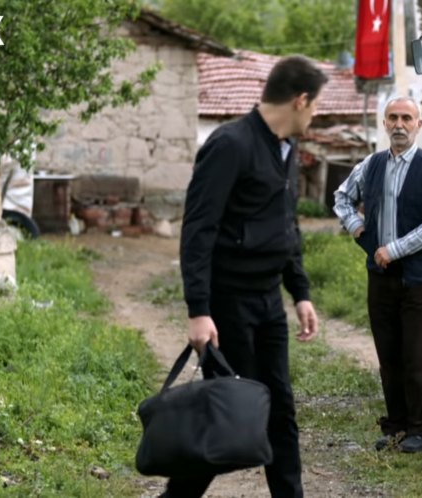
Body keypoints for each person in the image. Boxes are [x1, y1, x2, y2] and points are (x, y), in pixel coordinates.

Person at [173, 55, 327, 498]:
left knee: (279, 409)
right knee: (230, 414)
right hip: (228, 303)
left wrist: (299, 291)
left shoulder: (286, 149)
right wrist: (199, 310)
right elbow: (198, 230)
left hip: (267, 303)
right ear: (300, 100)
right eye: (314, 106)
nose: (315, 115)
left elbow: (286, 225)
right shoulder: (230, 145)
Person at [333, 96, 422, 453]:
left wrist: (393, 249)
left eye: (406, 118)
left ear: (418, 125)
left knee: (417, 356)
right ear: (384, 124)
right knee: (389, 354)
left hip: (419, 278)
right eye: (392, 118)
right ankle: (396, 425)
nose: (399, 124)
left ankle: (420, 429)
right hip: (380, 276)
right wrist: (356, 226)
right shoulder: (371, 165)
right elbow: (341, 197)